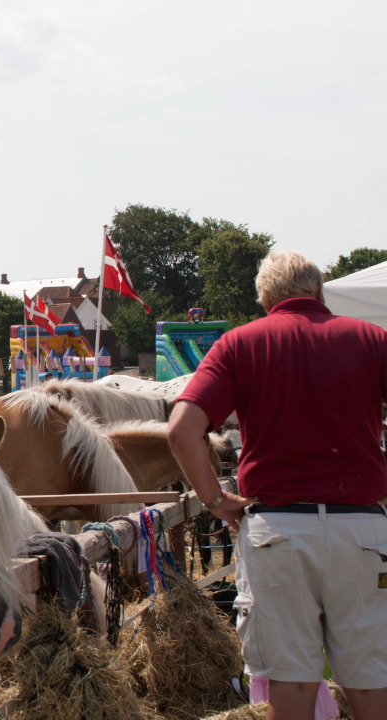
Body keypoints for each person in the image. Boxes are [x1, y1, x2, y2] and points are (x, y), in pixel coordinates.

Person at [168, 251, 387, 720]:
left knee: (290, 683)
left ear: (265, 300)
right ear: (319, 290)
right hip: (363, 531)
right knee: (372, 680)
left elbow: (182, 429)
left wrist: (214, 500)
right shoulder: (371, 338)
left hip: (277, 531)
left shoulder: (239, 344)